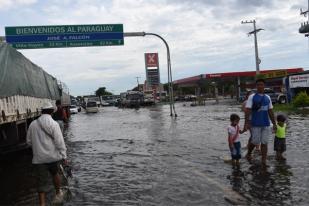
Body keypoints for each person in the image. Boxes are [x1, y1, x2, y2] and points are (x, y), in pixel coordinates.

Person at [27, 102, 67, 206]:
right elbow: (59, 142)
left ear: (42, 111)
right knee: (55, 174)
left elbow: (28, 142)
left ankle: (42, 204)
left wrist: (37, 147)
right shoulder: (54, 124)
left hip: (39, 159)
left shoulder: (33, 124)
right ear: (52, 112)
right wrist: (64, 156)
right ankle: (58, 193)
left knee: (41, 182)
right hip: (53, 157)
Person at [243, 79, 277, 166]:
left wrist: (274, 124)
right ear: (256, 86)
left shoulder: (268, 98)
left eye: (261, 84)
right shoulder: (252, 97)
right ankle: (249, 153)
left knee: (264, 142)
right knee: (255, 141)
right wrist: (246, 123)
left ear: (264, 86)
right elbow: (248, 110)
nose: (260, 86)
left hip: (266, 124)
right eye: (258, 85)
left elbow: (270, 111)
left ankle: (264, 160)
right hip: (255, 124)